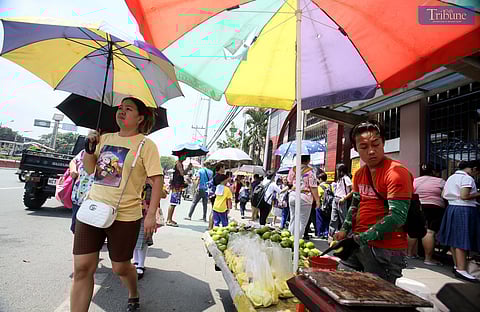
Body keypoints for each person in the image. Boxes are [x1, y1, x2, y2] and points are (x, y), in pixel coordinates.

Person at [72, 97, 164, 312]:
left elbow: (157, 179)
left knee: (120, 267)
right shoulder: (104, 138)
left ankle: (133, 292)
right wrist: (89, 148)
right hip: (93, 209)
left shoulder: (146, 145)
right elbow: (88, 169)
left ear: (140, 118)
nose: (121, 112)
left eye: (128, 109)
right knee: (82, 268)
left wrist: (151, 214)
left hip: (125, 216)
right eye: (120, 108)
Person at [335, 120, 412, 284]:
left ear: (383, 143)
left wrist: (361, 238)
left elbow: (397, 217)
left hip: (385, 249)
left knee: (377, 297)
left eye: (376, 144)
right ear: (356, 149)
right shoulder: (359, 174)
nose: (371, 151)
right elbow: (355, 205)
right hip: (358, 244)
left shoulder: (397, 173)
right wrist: (344, 229)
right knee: (343, 284)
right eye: (363, 147)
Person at [438, 160, 480, 283]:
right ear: (474, 168)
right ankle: (462, 269)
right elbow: (464, 195)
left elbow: (443, 194)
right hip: (464, 209)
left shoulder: (451, 178)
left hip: (452, 207)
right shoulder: (467, 179)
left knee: (454, 239)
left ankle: (457, 266)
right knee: (462, 239)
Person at [407, 163, 446, 265]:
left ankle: (409, 254)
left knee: (413, 230)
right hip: (433, 207)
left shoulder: (415, 180)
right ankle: (428, 259)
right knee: (429, 232)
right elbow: (445, 194)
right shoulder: (440, 181)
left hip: (417, 207)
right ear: (433, 171)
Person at [133, 177, 165, 280]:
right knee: (133, 237)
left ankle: (140, 264)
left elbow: (163, 194)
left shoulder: (156, 178)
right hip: (133, 209)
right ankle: (136, 261)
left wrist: (151, 183)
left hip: (148, 213)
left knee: (144, 237)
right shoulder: (136, 174)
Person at [287, 155, 320, 238]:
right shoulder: (310, 171)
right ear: (308, 160)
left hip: (293, 196)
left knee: (293, 219)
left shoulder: (293, 169)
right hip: (304, 197)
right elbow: (313, 187)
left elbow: (289, 182)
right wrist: (317, 200)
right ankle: (297, 241)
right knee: (302, 221)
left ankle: (290, 239)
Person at [69, 148, 94, 234]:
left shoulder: (110, 153)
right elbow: (74, 161)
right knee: (75, 227)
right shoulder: (86, 151)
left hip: (96, 200)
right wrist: (73, 171)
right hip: (79, 196)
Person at [329, 163, 353, 239]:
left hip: (341, 200)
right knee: (333, 218)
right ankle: (332, 235)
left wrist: (345, 198)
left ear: (341, 171)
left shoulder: (346, 178)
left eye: (337, 170)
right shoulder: (339, 179)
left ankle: (347, 236)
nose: (336, 172)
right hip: (335, 199)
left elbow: (354, 189)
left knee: (344, 219)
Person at [166, 155, 187, 227]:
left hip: (177, 185)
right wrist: (188, 168)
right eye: (184, 156)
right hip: (176, 186)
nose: (185, 158)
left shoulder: (180, 163)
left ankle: (170, 219)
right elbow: (182, 173)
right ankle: (168, 220)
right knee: (173, 203)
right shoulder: (179, 163)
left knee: (174, 203)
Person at [316, 172, 333, 239]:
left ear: (320, 179)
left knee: (320, 220)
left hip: (321, 206)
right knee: (327, 220)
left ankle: (320, 233)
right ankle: (326, 233)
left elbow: (318, 196)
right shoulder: (330, 186)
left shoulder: (319, 187)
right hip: (329, 206)